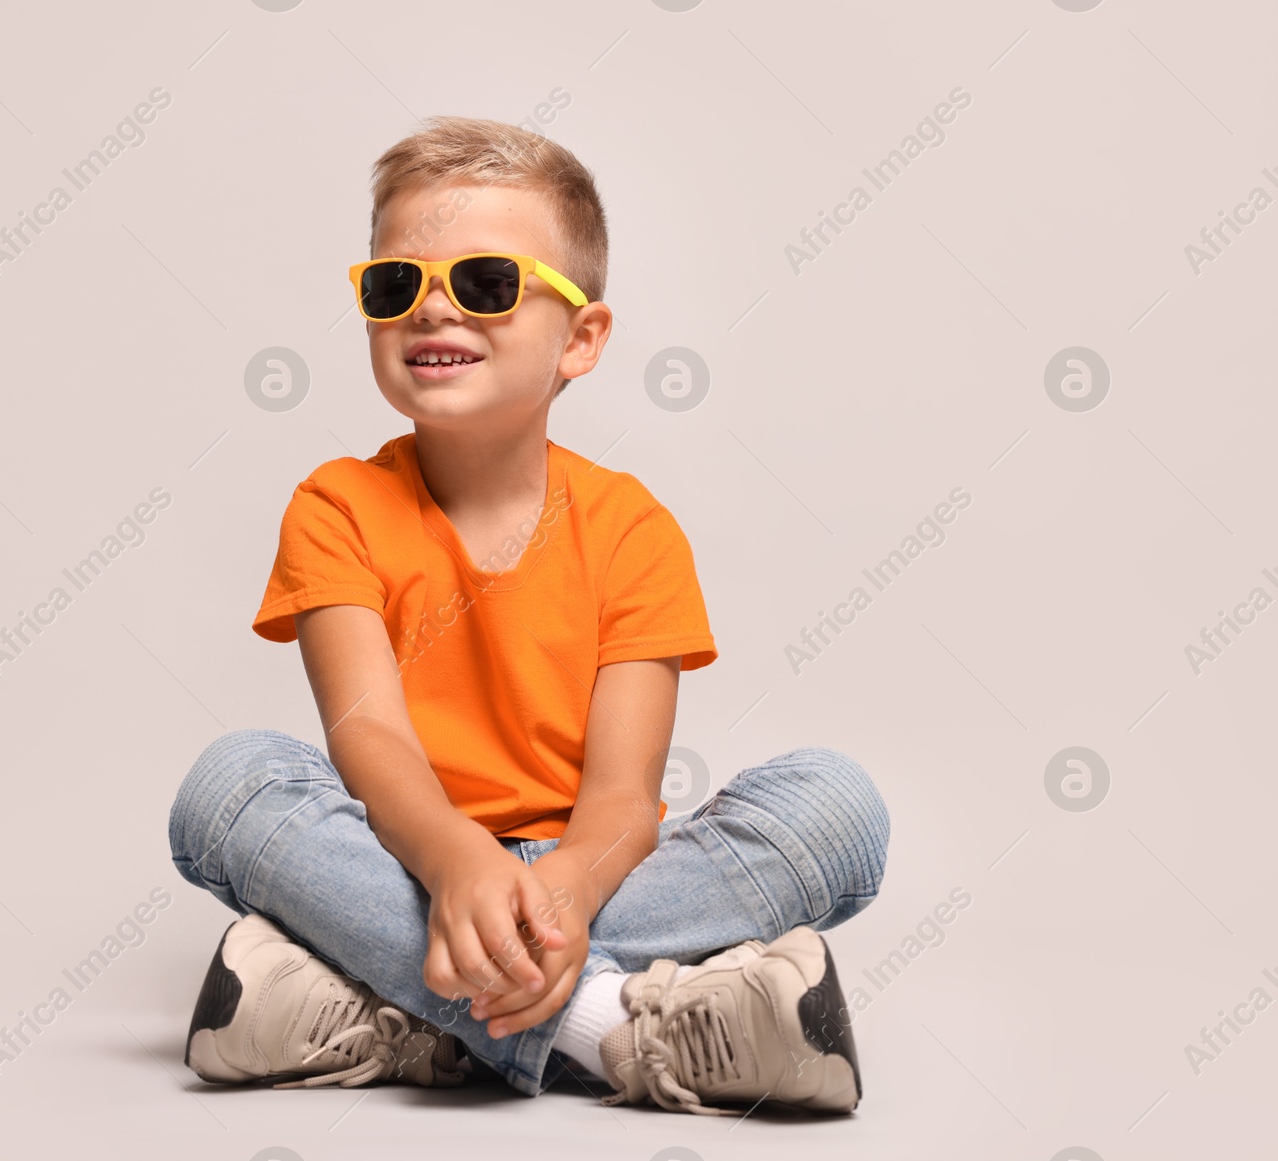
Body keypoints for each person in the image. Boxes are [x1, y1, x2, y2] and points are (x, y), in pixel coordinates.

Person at [167, 115, 889, 1117]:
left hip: (593, 879)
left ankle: (401, 1014)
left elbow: (623, 801)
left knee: (838, 809)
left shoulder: (633, 530)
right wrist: (458, 863)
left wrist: (563, 897)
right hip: (404, 858)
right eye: (396, 287)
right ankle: (614, 1028)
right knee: (230, 787)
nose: (432, 313)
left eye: (485, 284)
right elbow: (367, 733)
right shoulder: (335, 505)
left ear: (581, 339)